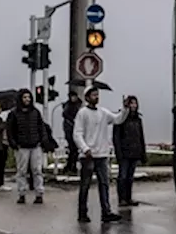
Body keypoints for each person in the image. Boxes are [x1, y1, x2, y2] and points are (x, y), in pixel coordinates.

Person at [73, 87, 128, 223]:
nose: (96, 97)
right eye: (93, 95)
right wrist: (85, 148)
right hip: (88, 155)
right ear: (87, 97)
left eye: (97, 95)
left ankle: (106, 211)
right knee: (85, 185)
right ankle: (82, 213)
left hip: (102, 154)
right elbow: (77, 133)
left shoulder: (103, 112)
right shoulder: (82, 113)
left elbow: (118, 120)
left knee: (104, 184)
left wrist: (125, 109)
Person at [6, 89, 47, 204]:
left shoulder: (35, 112)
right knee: (21, 171)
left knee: (37, 170)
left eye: (29, 97)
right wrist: (13, 143)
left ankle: (39, 193)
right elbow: (10, 130)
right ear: (20, 99)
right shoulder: (14, 114)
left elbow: (41, 127)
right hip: (21, 147)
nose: (27, 99)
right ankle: (22, 193)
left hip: (35, 145)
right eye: (24, 97)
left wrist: (43, 140)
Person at [112, 95, 146, 207]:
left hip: (135, 151)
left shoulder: (138, 119)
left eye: (135, 103)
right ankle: (122, 198)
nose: (133, 106)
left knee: (130, 177)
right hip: (124, 152)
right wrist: (118, 152)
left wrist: (142, 153)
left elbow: (141, 137)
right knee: (123, 176)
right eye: (131, 103)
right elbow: (116, 137)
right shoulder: (120, 119)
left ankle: (128, 197)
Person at [60, 90, 82, 175]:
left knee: (75, 150)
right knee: (73, 149)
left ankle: (72, 166)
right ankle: (71, 166)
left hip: (76, 129)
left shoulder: (78, 104)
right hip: (70, 129)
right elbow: (65, 114)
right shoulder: (68, 105)